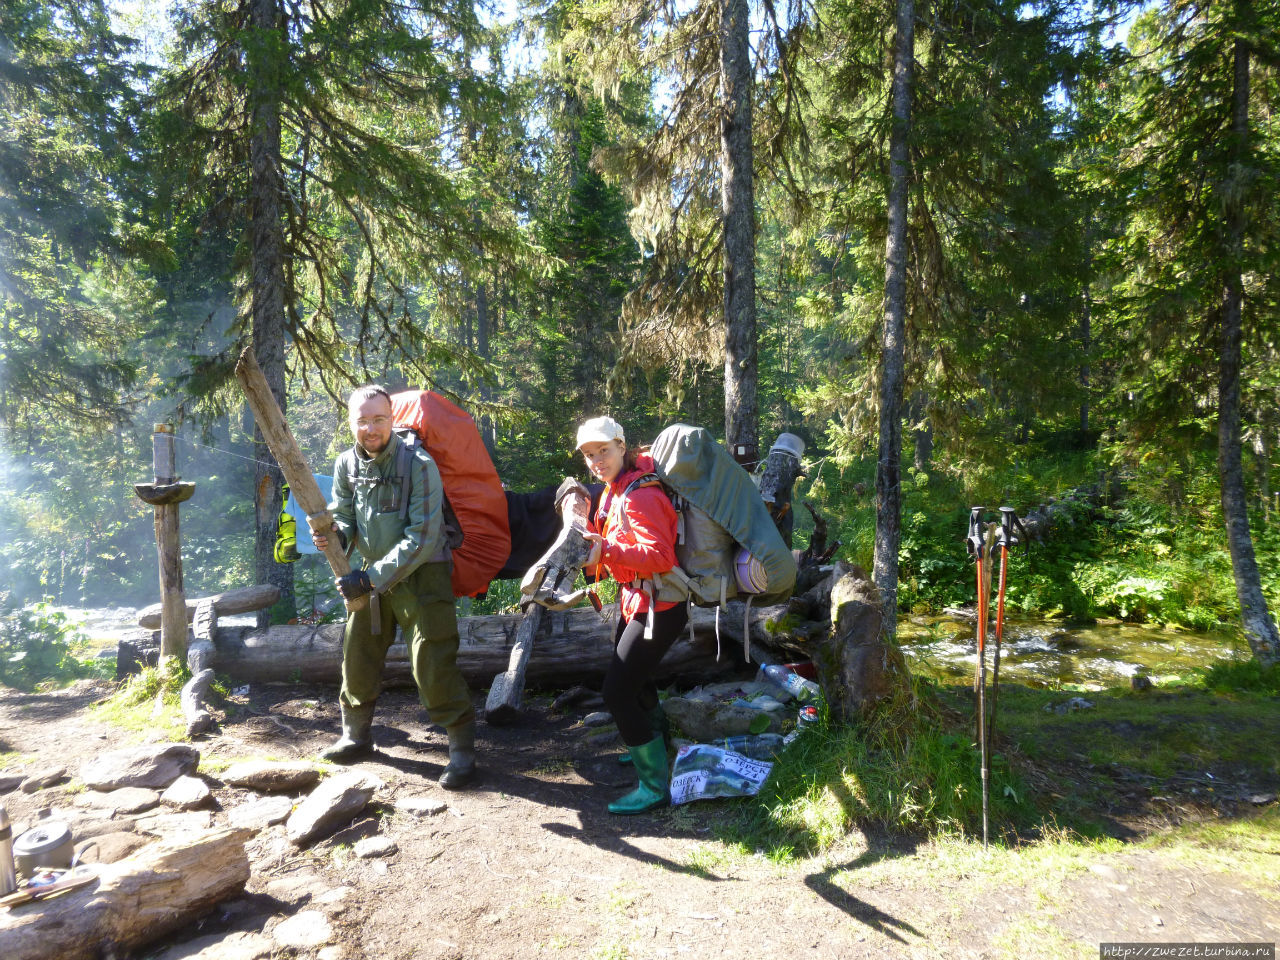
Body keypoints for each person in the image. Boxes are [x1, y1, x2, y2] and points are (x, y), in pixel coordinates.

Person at [313, 385, 477, 790]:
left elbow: (423, 536)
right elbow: (346, 515)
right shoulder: (346, 464)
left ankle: (461, 750)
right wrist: (335, 534)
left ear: (392, 419)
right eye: (362, 420)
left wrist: (368, 577)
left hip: (423, 573)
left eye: (378, 419)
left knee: (432, 661)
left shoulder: (418, 464)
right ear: (351, 422)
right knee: (357, 651)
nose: (370, 428)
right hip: (371, 574)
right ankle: (356, 735)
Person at [577, 415, 689, 815]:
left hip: (660, 607)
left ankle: (654, 785)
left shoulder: (640, 494)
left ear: (622, 446)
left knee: (617, 691)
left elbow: (660, 556)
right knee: (635, 680)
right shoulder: (614, 489)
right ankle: (652, 746)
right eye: (590, 455)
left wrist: (605, 551)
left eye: (603, 451)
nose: (596, 461)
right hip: (637, 601)